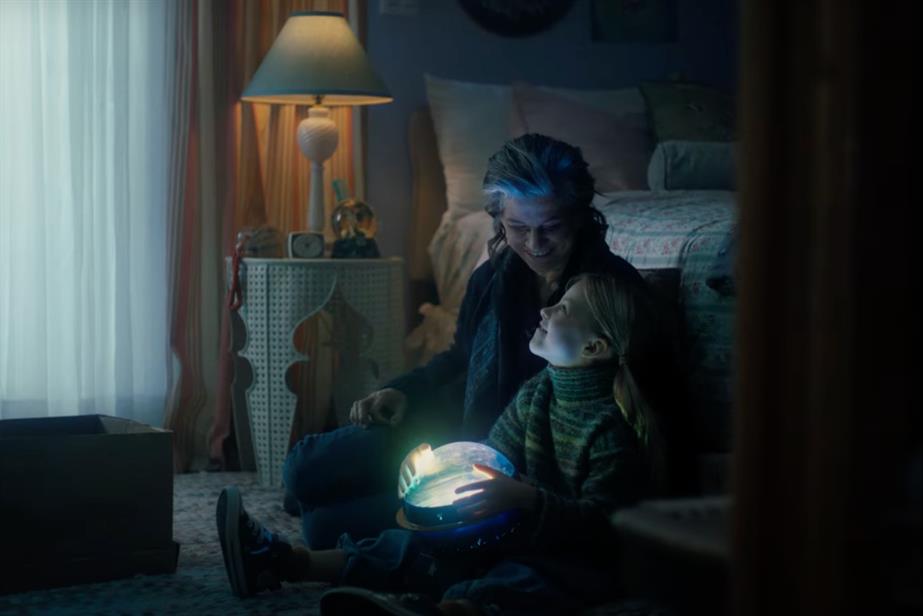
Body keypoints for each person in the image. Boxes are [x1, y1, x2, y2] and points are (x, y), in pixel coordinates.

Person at [218, 273, 675, 615]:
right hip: (514, 531)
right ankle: (283, 563)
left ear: (594, 348)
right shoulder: (539, 392)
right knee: (411, 546)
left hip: (572, 560)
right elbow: (492, 453)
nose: (546, 310)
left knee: (518, 583)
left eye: (563, 310)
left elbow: (603, 525)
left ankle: (443, 610)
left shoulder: (610, 427)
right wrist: (433, 481)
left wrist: (528, 499)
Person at [282, 134, 647, 549]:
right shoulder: (492, 278)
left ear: (579, 216)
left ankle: (347, 504)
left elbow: (631, 415)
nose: (535, 245)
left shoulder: (606, 295)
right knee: (303, 468)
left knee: (322, 529)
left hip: (508, 466)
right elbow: (460, 358)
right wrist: (404, 392)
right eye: (518, 228)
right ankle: (345, 492)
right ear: (498, 220)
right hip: (455, 425)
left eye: (552, 228)